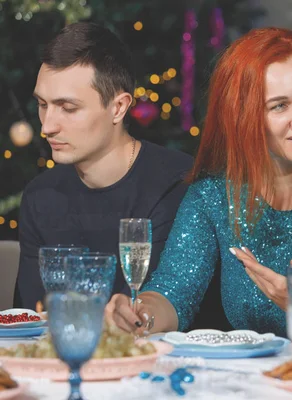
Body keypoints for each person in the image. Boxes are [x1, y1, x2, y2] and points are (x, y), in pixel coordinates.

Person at [105, 27, 292, 338]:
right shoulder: (214, 194)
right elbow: (174, 289)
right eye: (279, 106)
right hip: (253, 381)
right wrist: (139, 314)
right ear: (241, 114)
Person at [15, 23, 193, 310]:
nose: (47, 126)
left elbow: (165, 311)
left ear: (119, 107)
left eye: (68, 108)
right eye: (42, 104)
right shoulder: (40, 196)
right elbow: (31, 320)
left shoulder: (179, 185)